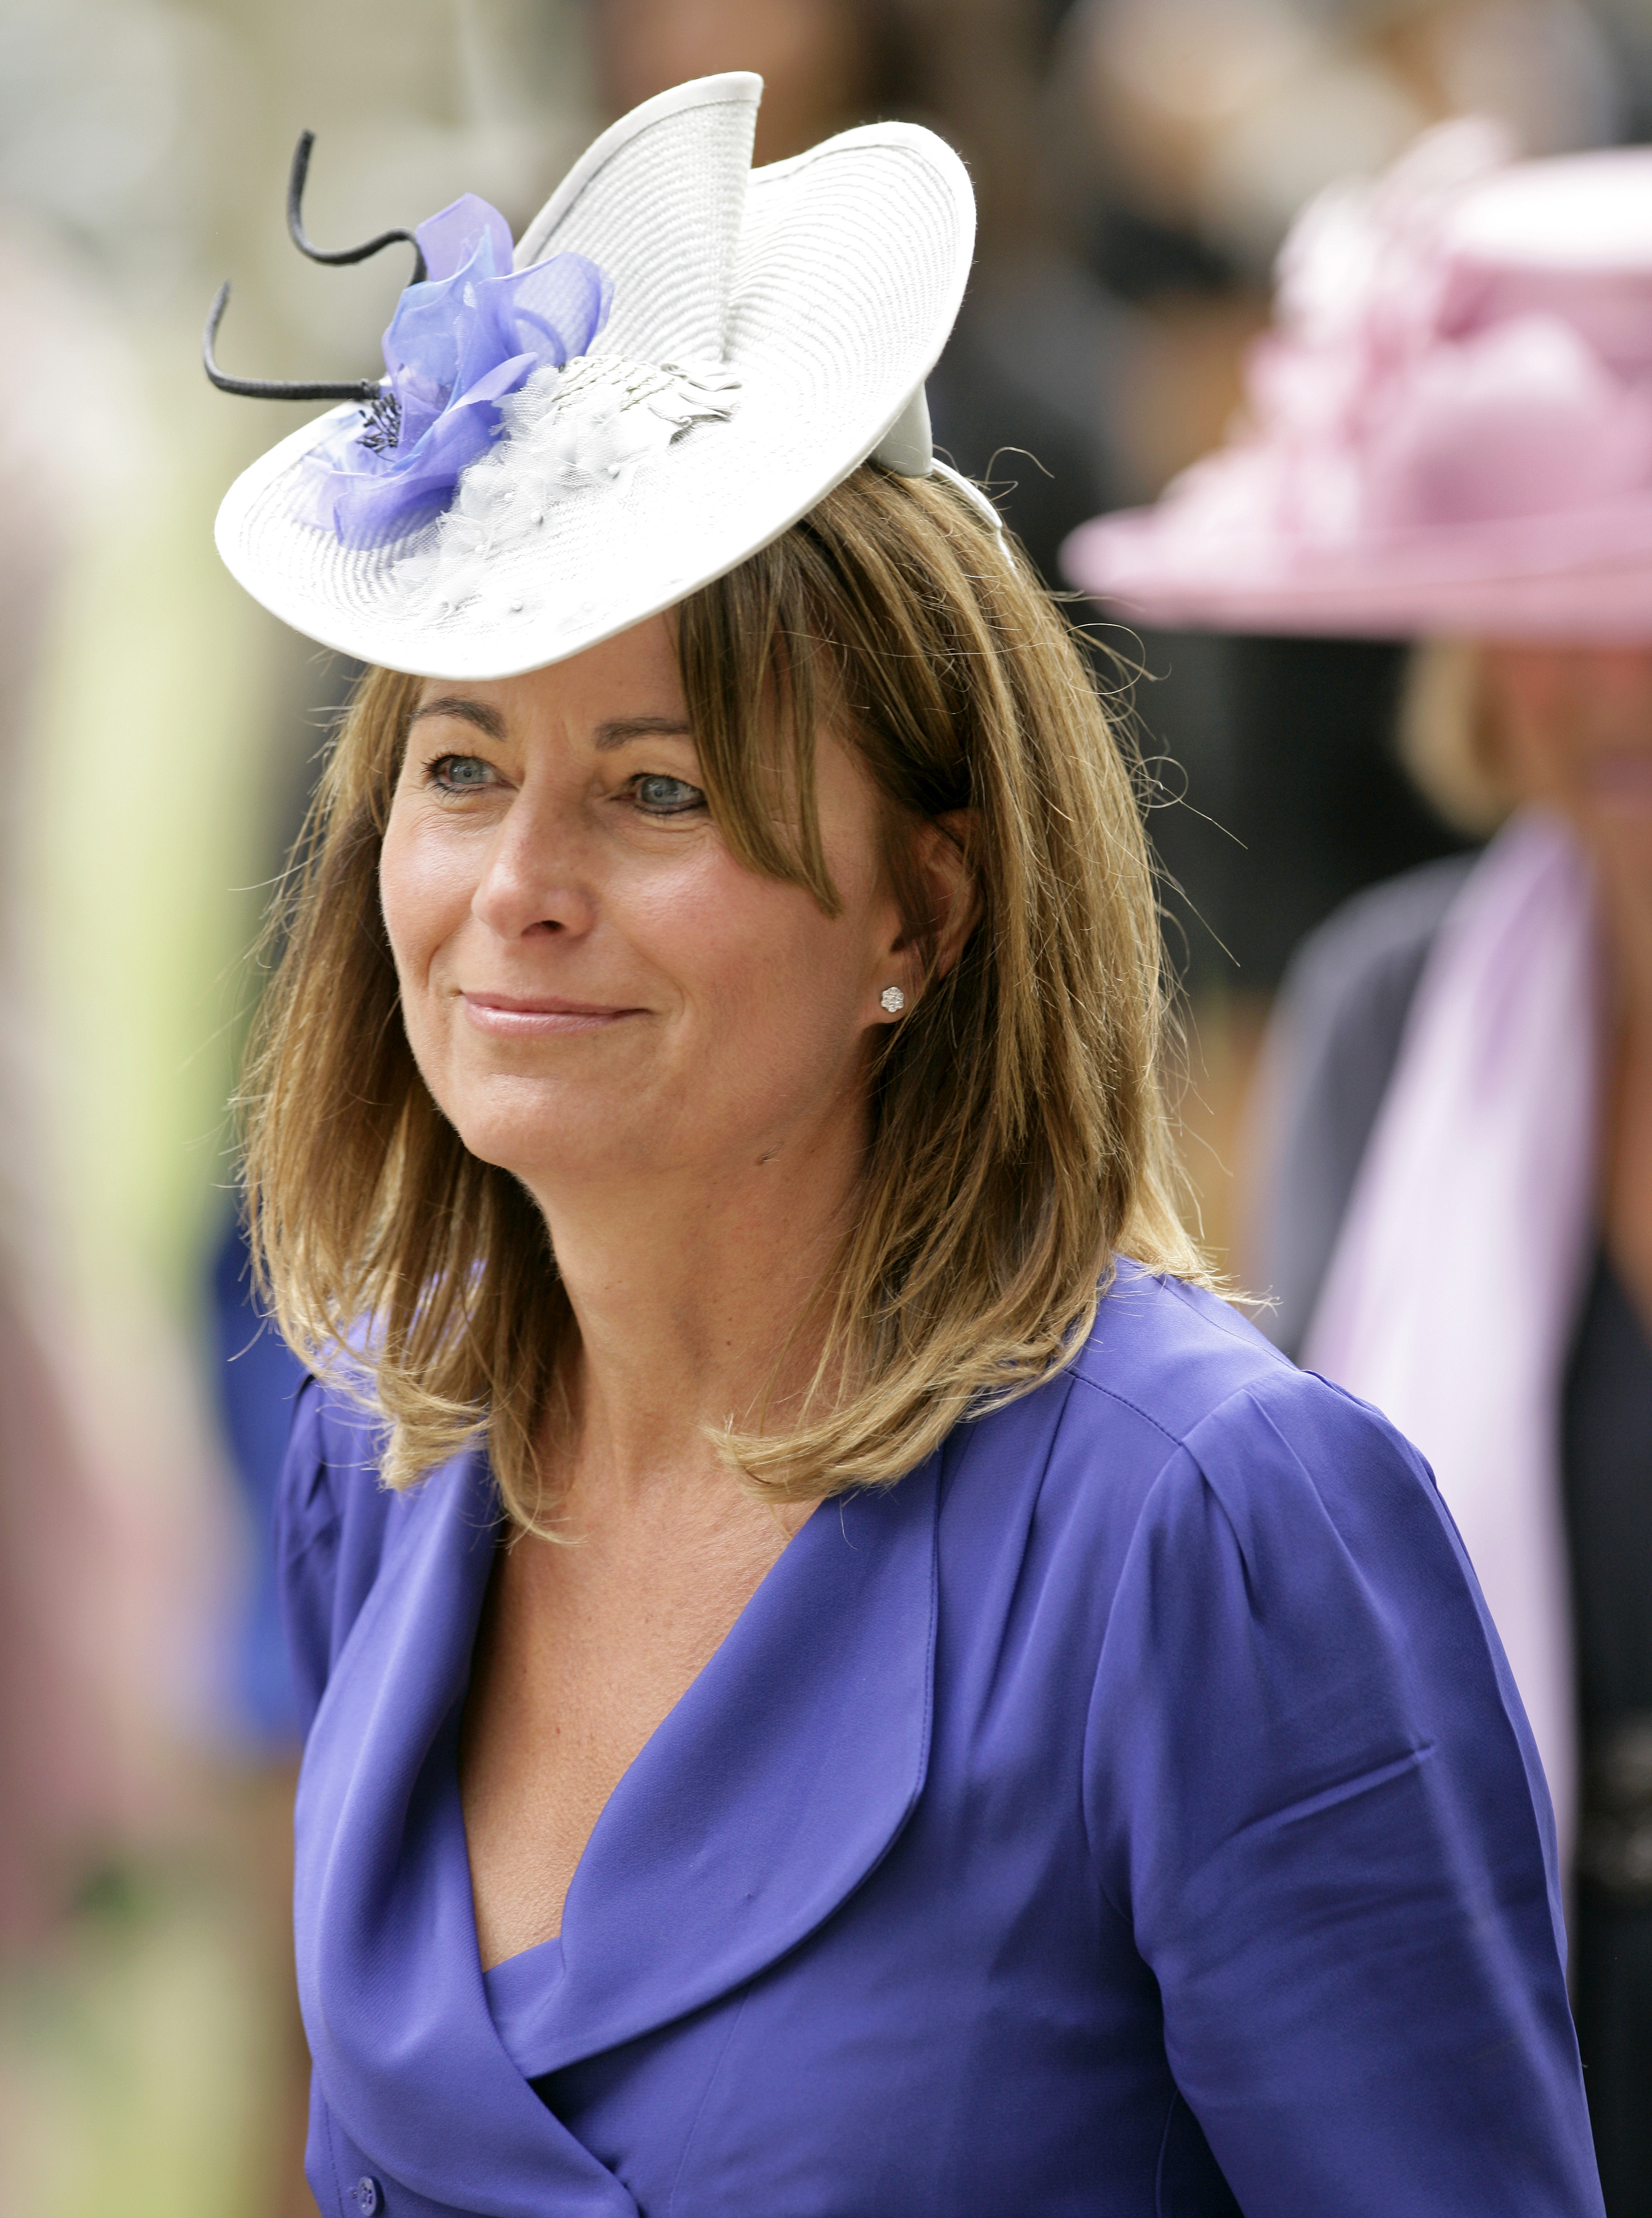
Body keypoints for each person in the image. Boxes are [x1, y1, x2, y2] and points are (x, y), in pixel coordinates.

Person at [208, 75, 1602, 2214]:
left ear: (921, 910)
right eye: (464, 768)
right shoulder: (374, 1447)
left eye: (657, 791)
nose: (520, 886)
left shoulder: (1209, 1529)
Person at [1065, 118, 1652, 2211]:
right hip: (1513, 2046)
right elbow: (1308, 1616)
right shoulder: (1396, 1017)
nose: (1608, 674)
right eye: (1549, 599)